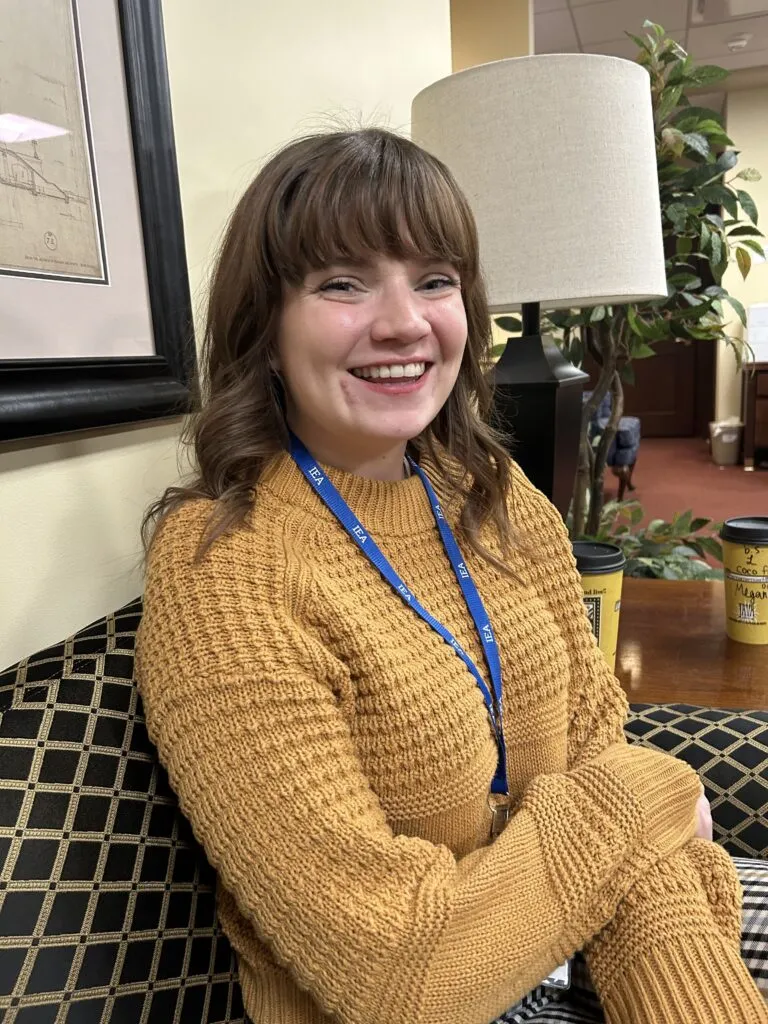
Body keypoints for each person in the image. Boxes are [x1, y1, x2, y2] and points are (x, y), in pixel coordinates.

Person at [136, 127, 767, 1024]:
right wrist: (655, 794)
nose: (405, 322)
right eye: (343, 283)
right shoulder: (227, 573)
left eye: (434, 279)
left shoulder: (492, 494)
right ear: (265, 329)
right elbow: (406, 976)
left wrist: (678, 975)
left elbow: (595, 746)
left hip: (584, 942)